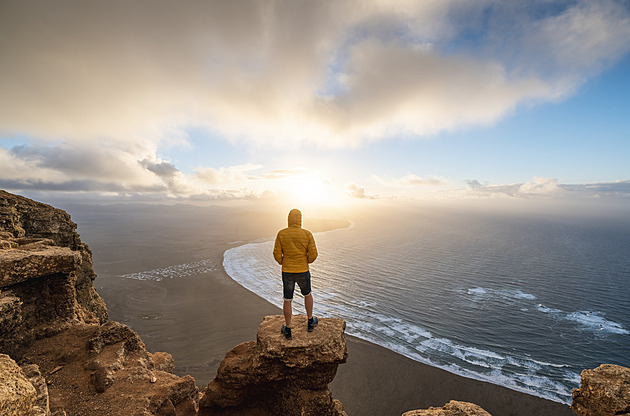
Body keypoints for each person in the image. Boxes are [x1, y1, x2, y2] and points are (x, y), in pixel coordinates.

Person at [273, 208, 318, 340]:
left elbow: (276, 254)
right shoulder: (307, 234)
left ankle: (288, 329)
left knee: (288, 299)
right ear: (300, 220)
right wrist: (306, 261)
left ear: (288, 220)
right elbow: (313, 255)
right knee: (307, 294)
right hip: (303, 270)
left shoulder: (281, 234)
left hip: (287, 271)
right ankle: (310, 322)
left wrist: (283, 262)